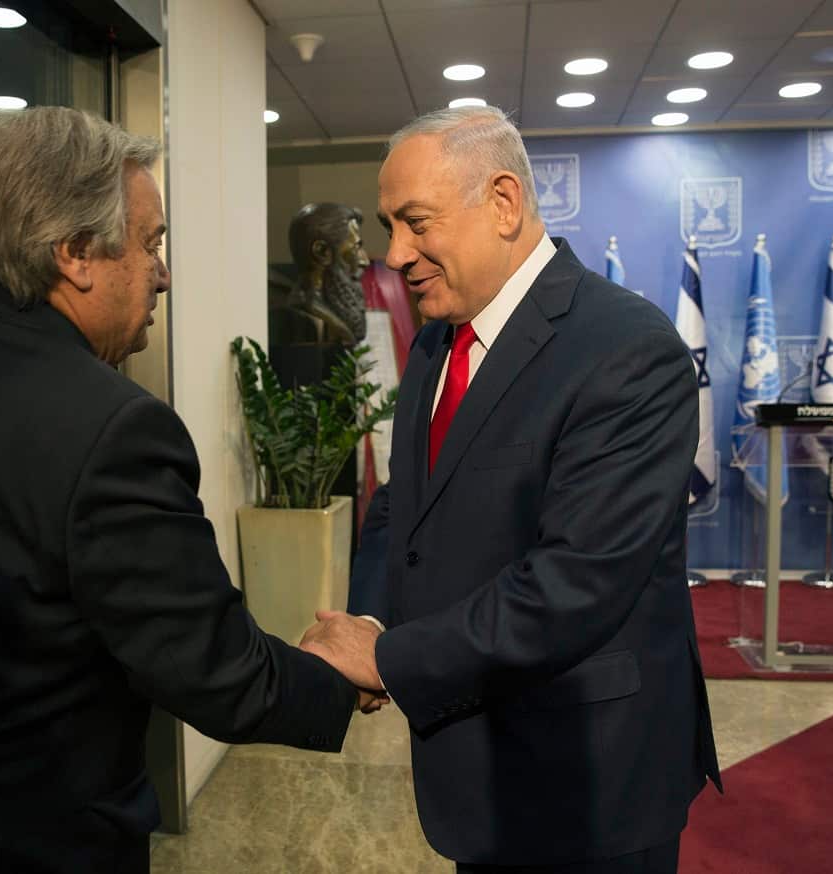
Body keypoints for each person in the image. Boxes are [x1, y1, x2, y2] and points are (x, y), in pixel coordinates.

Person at [0, 106, 374, 874]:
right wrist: (336, 670)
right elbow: (214, 672)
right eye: (152, 244)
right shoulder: (116, 429)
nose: (163, 272)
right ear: (76, 253)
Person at [301, 105, 722, 873]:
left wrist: (389, 657)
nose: (396, 253)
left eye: (416, 222)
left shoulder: (630, 350)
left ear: (503, 202)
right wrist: (367, 614)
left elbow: (575, 584)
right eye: (388, 224)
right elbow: (405, 504)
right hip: (473, 767)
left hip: (588, 781)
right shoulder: (436, 340)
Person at [271, 202, 371, 347]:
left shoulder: (335, 314)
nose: (365, 261)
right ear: (322, 252)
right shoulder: (300, 318)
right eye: (355, 249)